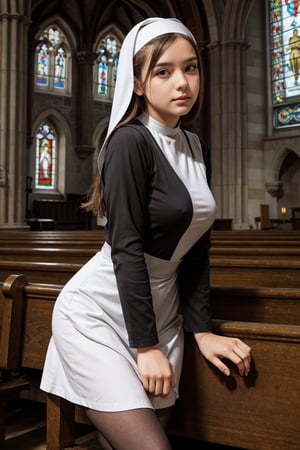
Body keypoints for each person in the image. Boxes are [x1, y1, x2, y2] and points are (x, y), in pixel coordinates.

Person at [40, 17, 251, 450]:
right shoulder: (128, 143)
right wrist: (146, 346)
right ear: (136, 82)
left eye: (190, 68)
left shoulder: (194, 145)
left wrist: (202, 330)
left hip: (163, 314)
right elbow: (127, 250)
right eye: (163, 71)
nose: (182, 82)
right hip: (101, 313)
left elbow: (196, 249)